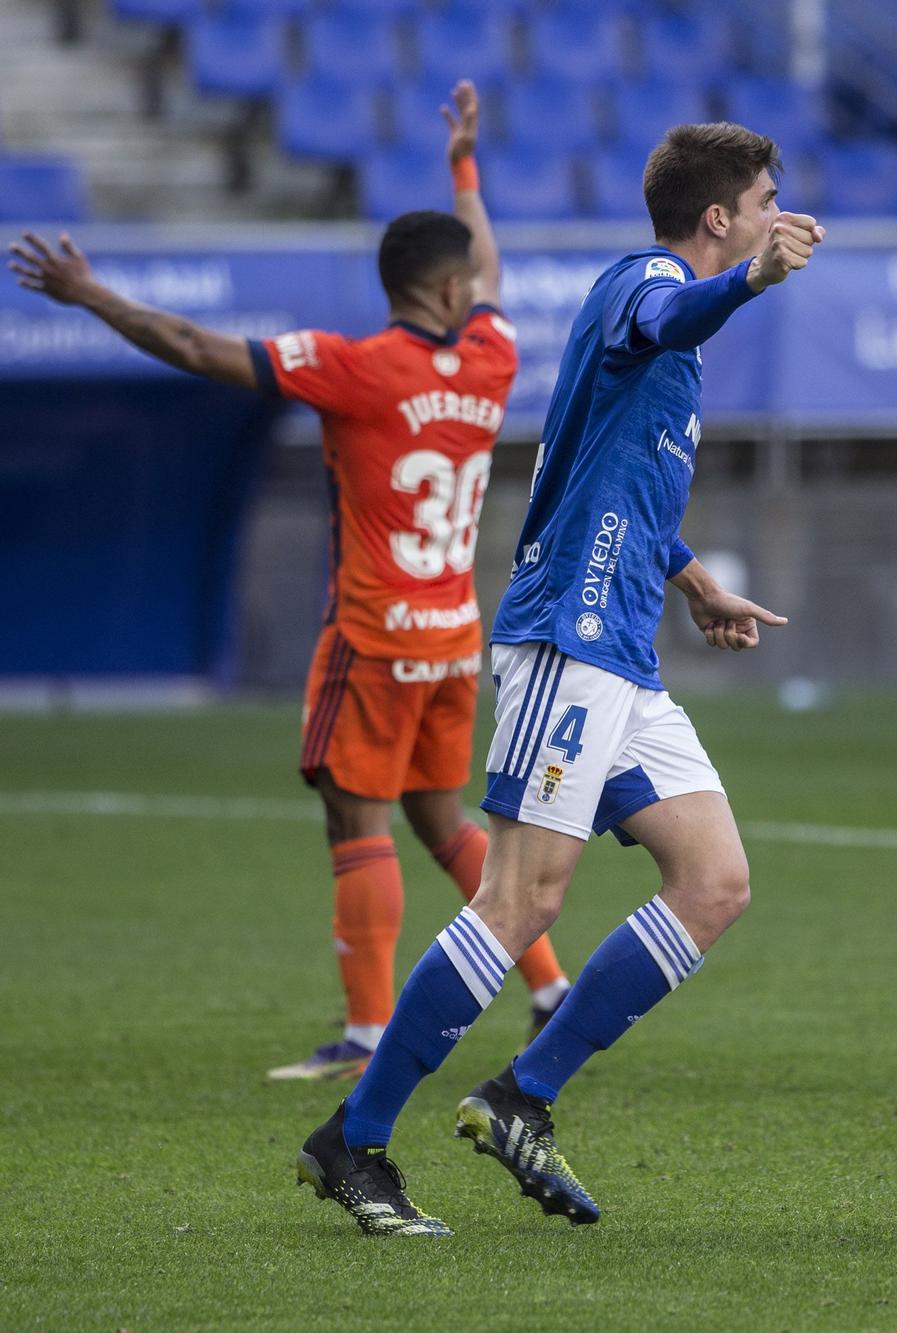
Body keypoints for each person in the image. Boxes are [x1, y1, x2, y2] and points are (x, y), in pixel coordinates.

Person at [294, 121, 824, 1236]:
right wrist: (752, 286)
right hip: (568, 639)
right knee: (519, 898)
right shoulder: (651, 282)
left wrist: (689, 579)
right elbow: (669, 311)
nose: (780, 213)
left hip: (626, 650)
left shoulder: (674, 328)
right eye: (766, 199)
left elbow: (608, 470)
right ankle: (355, 1139)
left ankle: (519, 1096)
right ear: (720, 215)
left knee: (715, 881)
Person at [7, 81, 570, 1084]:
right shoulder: (492, 354)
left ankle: (364, 1033)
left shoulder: (353, 366)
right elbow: (488, 264)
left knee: (355, 817)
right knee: (443, 817)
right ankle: (548, 985)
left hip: (371, 636)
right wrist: (464, 167)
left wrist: (91, 296)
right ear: (451, 292)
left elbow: (192, 347)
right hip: (450, 634)